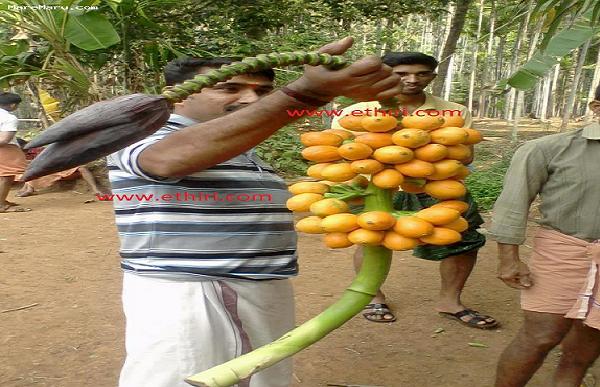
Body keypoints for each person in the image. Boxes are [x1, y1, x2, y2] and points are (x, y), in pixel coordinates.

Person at [107, 37, 404, 387]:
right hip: (199, 286)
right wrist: (306, 93)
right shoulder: (148, 133)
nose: (250, 99)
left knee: (258, 378)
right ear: (180, 92)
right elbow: (164, 161)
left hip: (252, 283)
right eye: (229, 87)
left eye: (264, 91)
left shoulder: (239, 148)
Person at [331, 52, 497, 329]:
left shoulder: (452, 111)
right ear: (384, 75)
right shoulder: (355, 113)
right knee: (370, 238)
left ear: (432, 76)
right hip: (374, 187)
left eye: (422, 73)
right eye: (402, 73)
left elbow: (465, 156)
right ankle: (373, 296)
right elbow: (344, 155)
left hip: (434, 186)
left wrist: (408, 146)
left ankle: (450, 301)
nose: (412, 80)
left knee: (463, 240)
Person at [490, 84, 600, 387]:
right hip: (564, 251)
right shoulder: (548, 149)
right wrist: (508, 259)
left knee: (588, 341)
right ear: (596, 107)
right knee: (541, 335)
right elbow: (513, 205)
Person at [0, 92, 32, 212]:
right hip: (5, 149)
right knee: (6, 177)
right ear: (13, 105)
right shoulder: (9, 118)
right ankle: (0, 205)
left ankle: (1, 199)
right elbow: (5, 139)